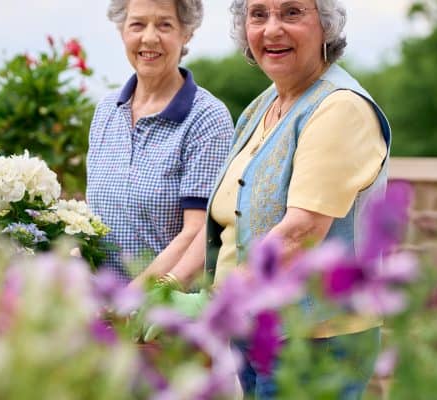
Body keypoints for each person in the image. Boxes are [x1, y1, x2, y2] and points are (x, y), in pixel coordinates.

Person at [158, 0, 391, 398]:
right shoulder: (263, 106)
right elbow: (226, 220)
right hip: (259, 331)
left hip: (316, 338)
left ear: (327, 26)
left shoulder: (340, 108)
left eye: (292, 12)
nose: (272, 29)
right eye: (258, 14)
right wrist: (164, 291)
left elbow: (301, 232)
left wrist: (214, 304)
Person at [87, 0, 234, 282]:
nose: (150, 37)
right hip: (98, 307)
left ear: (186, 32)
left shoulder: (206, 118)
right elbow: (94, 218)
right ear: (122, 31)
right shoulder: (106, 111)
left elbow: (197, 234)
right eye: (138, 24)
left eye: (165, 25)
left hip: (164, 309)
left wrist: (131, 302)